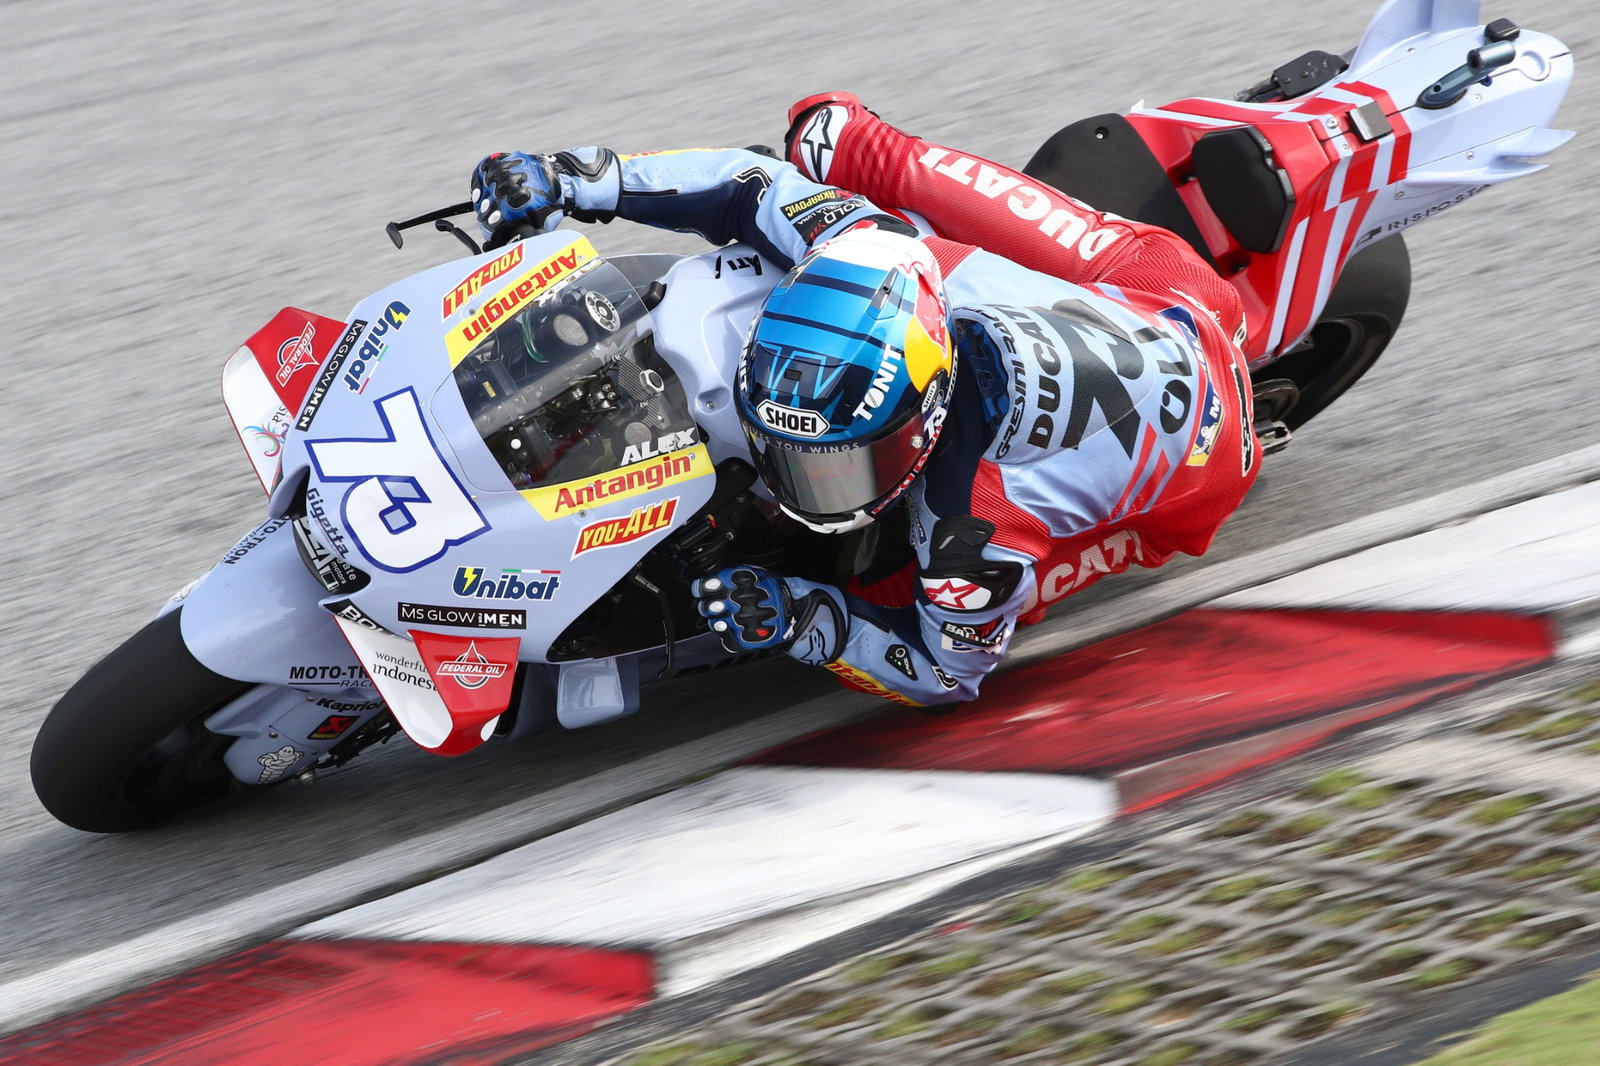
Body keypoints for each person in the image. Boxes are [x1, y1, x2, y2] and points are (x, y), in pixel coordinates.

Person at [471, 92, 1259, 707]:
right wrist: (578, 178)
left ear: (925, 421)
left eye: (834, 466)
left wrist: (802, 617)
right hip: (1148, 292)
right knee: (831, 137)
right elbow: (749, 184)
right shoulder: (867, 248)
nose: (796, 485)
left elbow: (945, 674)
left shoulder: (974, 533)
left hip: (1204, 457)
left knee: (906, 599)